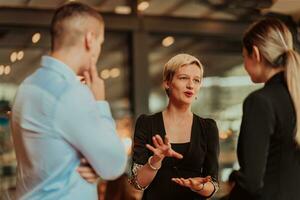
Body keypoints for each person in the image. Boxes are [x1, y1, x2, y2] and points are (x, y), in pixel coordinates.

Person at [10, 2, 127, 200]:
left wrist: (95, 164)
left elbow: (54, 153)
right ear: (90, 39)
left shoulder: (26, 87)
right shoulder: (69, 93)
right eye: (101, 42)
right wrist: (100, 103)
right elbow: (114, 165)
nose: (98, 50)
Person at [129, 54, 220, 200]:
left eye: (196, 80)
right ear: (167, 82)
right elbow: (137, 183)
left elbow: (213, 185)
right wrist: (156, 160)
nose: (191, 85)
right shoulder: (146, 123)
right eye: (183, 78)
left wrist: (200, 187)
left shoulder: (208, 128)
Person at [228, 18, 300, 200]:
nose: (244, 65)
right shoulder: (294, 98)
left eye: (244, 56)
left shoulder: (260, 102)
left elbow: (251, 183)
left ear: (256, 54)